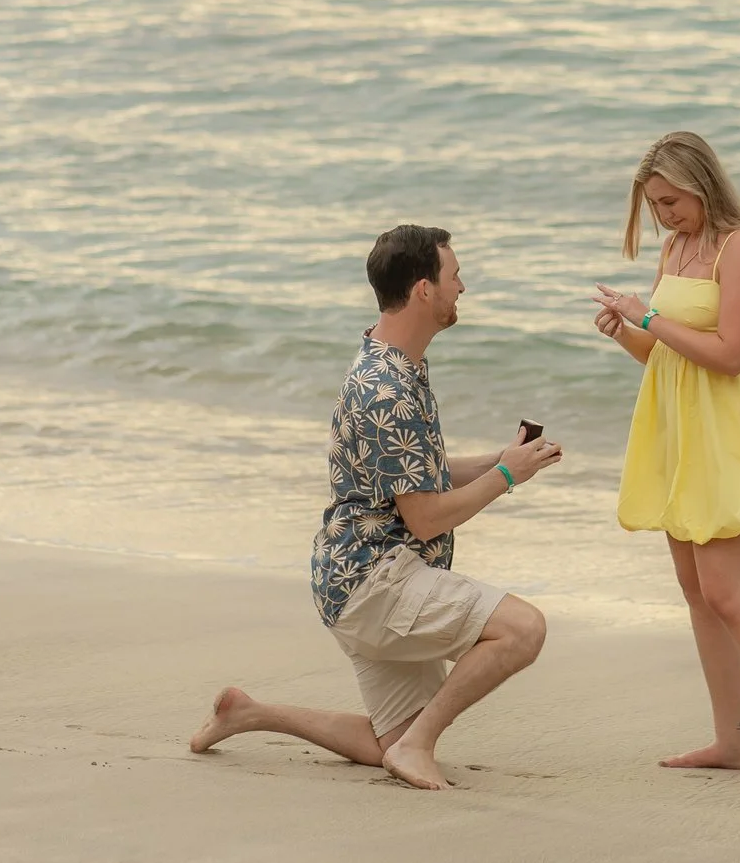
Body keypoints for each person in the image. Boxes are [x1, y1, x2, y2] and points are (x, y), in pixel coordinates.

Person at [190, 224, 564, 790]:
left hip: (353, 580)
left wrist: (502, 458)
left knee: (384, 742)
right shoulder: (386, 387)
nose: (461, 287)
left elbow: (418, 475)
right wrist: (510, 476)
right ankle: (418, 746)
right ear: (423, 290)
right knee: (524, 630)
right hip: (378, 582)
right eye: (454, 275)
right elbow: (427, 515)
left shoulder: (392, 361)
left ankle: (248, 714)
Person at [593, 132, 740, 792]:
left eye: (670, 201)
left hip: (726, 431)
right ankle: (731, 739)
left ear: (700, 184)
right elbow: (668, 356)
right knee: (698, 593)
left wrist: (651, 318)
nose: (664, 214)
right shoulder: (674, 247)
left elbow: (731, 354)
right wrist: (628, 333)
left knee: (730, 592)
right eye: (655, 204)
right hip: (677, 428)